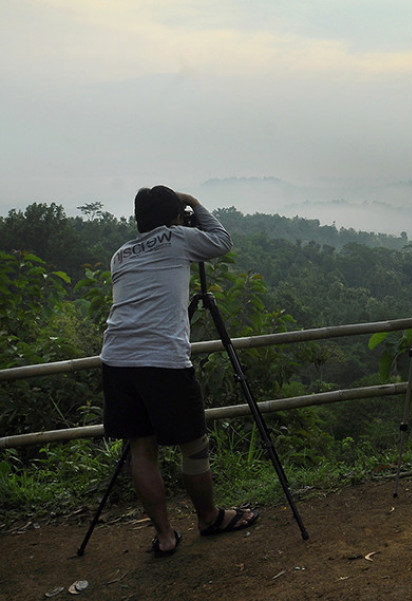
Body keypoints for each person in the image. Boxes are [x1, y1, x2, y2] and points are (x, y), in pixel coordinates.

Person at [101, 186, 258, 557]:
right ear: (175, 218)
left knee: (141, 449)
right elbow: (221, 241)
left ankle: (166, 536)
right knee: (194, 445)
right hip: (162, 360)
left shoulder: (119, 255)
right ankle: (208, 517)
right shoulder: (177, 238)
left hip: (117, 359)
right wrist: (195, 204)